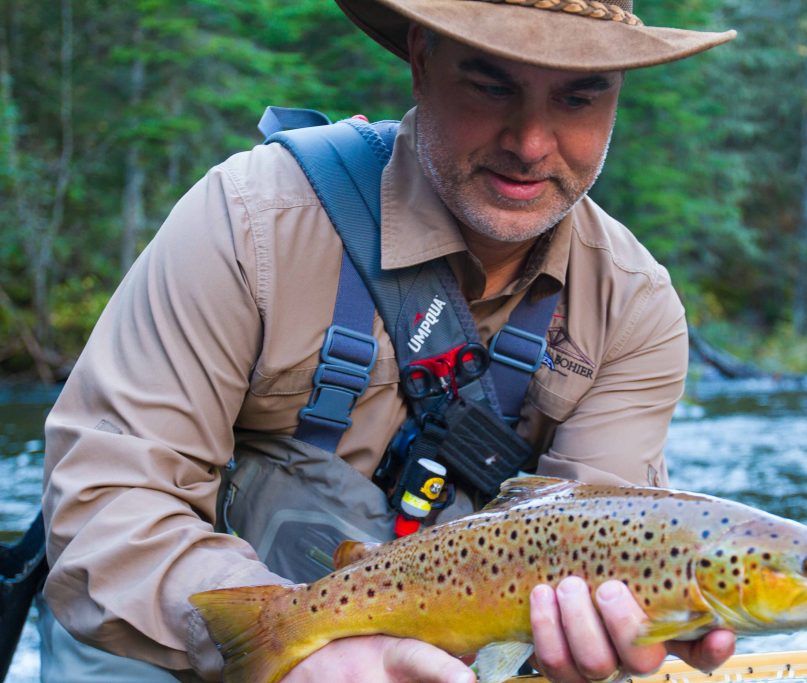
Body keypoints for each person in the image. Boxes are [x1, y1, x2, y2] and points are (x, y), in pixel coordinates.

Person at [39, 0, 738, 681]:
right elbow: (105, 502)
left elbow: (595, 547)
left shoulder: (633, 305)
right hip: (186, 645)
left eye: (579, 98)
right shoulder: (253, 221)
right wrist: (295, 650)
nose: (530, 142)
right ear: (421, 59)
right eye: (490, 84)